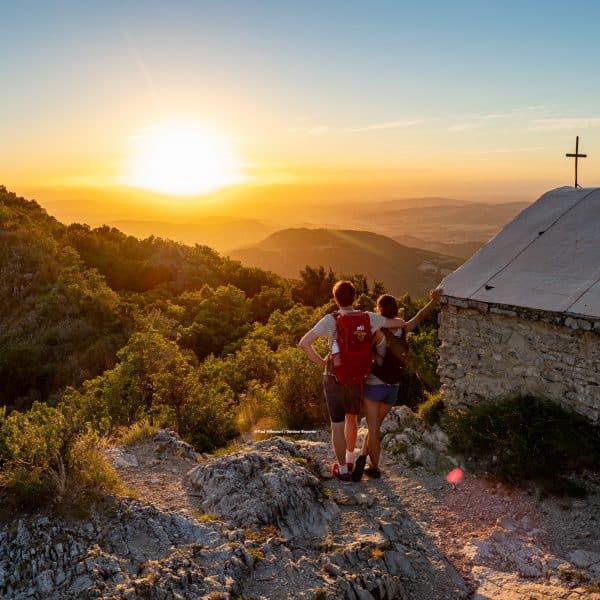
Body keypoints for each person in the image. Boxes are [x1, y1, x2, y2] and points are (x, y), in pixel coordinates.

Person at [298, 280, 407, 482]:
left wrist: (323, 362)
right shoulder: (368, 318)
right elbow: (399, 323)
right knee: (351, 419)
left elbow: (304, 344)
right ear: (355, 297)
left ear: (335, 298)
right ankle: (351, 457)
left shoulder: (330, 320)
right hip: (357, 378)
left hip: (334, 376)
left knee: (337, 424)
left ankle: (342, 469)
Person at [352, 288, 442, 481]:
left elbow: (361, 352)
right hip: (392, 388)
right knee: (376, 428)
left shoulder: (377, 332)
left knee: (373, 428)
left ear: (380, 310)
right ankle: (362, 456)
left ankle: (374, 468)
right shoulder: (402, 329)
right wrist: (433, 301)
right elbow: (419, 317)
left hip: (374, 386)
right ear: (395, 310)